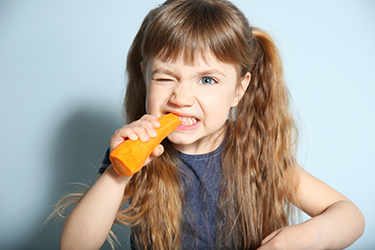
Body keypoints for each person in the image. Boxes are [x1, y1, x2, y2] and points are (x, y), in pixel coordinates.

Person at [57, 0, 365, 249]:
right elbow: (74, 246)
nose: (181, 98)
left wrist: (305, 238)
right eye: (165, 77)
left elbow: (350, 216)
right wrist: (118, 172)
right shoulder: (134, 152)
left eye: (206, 80)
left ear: (239, 90)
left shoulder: (257, 155)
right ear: (145, 75)